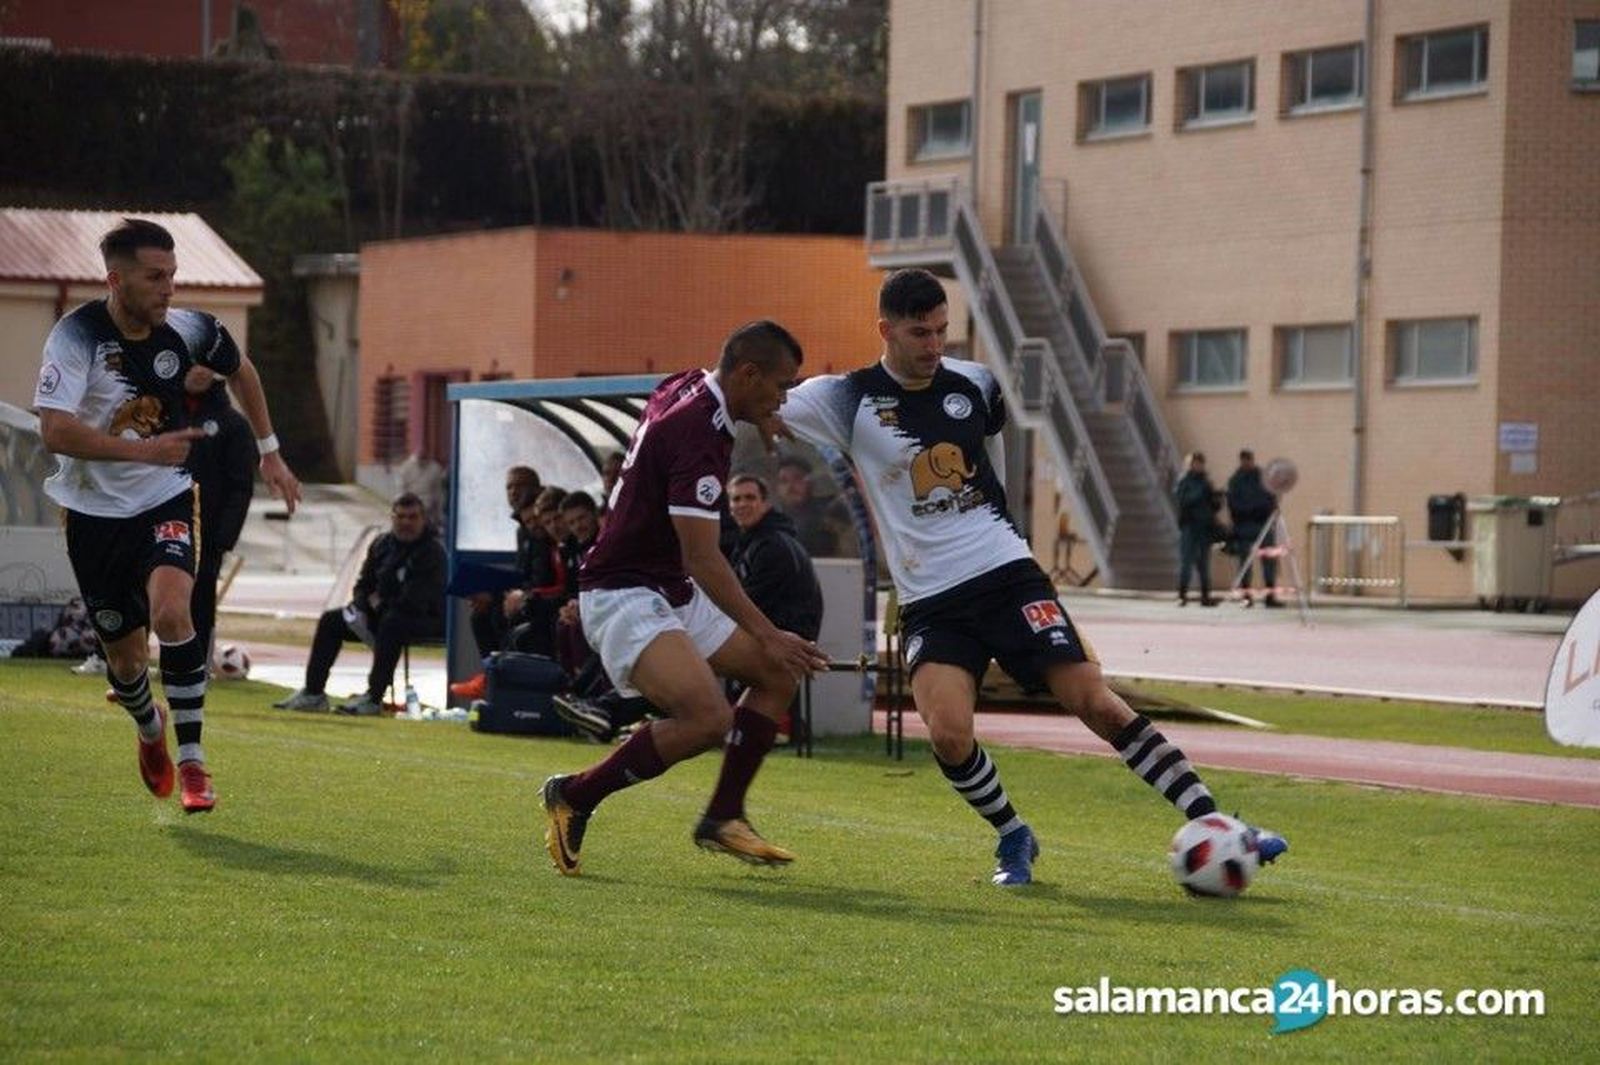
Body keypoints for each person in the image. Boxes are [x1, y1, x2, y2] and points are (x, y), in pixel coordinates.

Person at [775, 268, 1286, 886]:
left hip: (1005, 573)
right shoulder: (844, 398)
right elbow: (750, 397)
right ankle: (1014, 835)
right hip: (931, 599)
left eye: (941, 331)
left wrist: (1005, 535)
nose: (935, 345)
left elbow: (991, 459)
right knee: (948, 734)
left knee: (1093, 701)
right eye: (919, 334)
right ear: (885, 330)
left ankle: (1217, 824)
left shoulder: (976, 383)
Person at [33, 217, 302, 813]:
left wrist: (270, 452)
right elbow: (54, 430)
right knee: (126, 662)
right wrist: (141, 450)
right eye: (155, 277)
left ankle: (194, 764)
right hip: (92, 512)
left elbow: (242, 369)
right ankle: (148, 725)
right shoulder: (76, 336)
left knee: (174, 611)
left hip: (167, 496)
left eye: (173, 275)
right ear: (116, 280)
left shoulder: (189, 329)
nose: (169, 288)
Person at [540, 320, 828, 876]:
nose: (783, 400)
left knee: (776, 675)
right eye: (780, 387)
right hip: (623, 591)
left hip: (666, 585)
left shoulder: (689, 383)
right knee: (707, 718)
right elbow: (703, 557)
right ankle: (575, 794)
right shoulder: (697, 435)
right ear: (748, 374)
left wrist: (762, 416)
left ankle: (724, 816)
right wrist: (769, 632)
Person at [273, 493, 445, 714]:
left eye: (412, 517)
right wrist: (363, 606)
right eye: (401, 517)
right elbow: (363, 584)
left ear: (423, 519)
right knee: (332, 620)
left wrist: (378, 604)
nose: (406, 523)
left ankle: (373, 697)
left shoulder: (432, 552)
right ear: (392, 518)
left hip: (425, 619)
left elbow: (416, 599)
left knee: (393, 623)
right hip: (382, 613)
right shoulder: (382, 544)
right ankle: (313, 693)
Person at [181, 366, 257, 662]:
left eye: (206, 364)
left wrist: (223, 538)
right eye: (193, 362)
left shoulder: (233, 425)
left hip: (207, 533)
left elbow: (241, 487)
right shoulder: (161, 412)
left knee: (200, 598)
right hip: (158, 523)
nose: (200, 371)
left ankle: (197, 663)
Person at [727, 474, 822, 643]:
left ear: (765, 504)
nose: (742, 504)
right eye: (736, 499)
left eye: (750, 498)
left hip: (783, 646)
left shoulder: (773, 546)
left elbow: (746, 605)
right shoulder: (748, 543)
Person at [1225, 449, 1281, 607]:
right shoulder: (1236, 480)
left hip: (1263, 524)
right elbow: (1233, 504)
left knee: (1269, 561)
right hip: (1244, 525)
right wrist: (1250, 511)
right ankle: (1246, 596)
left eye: (1249, 460)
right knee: (1245, 562)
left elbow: (1271, 498)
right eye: (1244, 460)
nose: (1247, 463)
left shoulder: (1263, 478)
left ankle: (1270, 596)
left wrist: (1265, 510)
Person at [774, 454, 853, 558]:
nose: (790, 486)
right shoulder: (772, 522)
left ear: (811, 483)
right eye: (784, 481)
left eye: (797, 478)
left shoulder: (831, 510)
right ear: (777, 488)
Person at [1175, 452, 1221, 608]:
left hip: (1204, 527)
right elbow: (1182, 500)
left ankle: (1205, 596)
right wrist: (1199, 493)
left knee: (1204, 564)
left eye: (1200, 463)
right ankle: (1182, 595)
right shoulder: (1184, 481)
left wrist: (1216, 499)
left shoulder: (1206, 482)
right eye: (1195, 463)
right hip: (1190, 526)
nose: (1198, 466)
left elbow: (1213, 506)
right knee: (1186, 562)